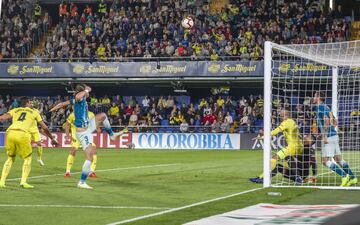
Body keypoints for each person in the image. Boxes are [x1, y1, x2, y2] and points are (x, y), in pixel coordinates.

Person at [50, 84, 127, 189]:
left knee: (103, 116)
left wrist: (53, 108)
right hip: (82, 133)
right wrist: (85, 90)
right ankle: (82, 182)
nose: (88, 95)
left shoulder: (80, 99)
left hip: (88, 126)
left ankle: (112, 135)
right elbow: (77, 96)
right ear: (82, 93)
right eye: (86, 93)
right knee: (89, 157)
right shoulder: (78, 99)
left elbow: (63, 103)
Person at [0, 97, 58, 188]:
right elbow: (44, 127)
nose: (31, 104)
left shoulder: (15, 110)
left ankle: (2, 182)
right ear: (27, 103)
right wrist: (52, 138)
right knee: (28, 158)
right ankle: (23, 182)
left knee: (10, 158)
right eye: (30, 102)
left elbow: (2, 118)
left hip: (10, 133)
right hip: (23, 134)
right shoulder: (35, 112)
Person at [313, 91, 357, 186]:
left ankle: (344, 176)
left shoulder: (319, 107)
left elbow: (327, 121)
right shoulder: (327, 107)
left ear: (318, 98)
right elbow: (335, 122)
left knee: (325, 161)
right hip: (334, 135)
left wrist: (324, 135)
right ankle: (353, 178)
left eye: (314, 96)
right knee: (338, 159)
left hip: (328, 137)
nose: (313, 98)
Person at [250, 110, 304, 184]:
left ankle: (263, 178)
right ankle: (297, 178)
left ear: (285, 115)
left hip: (292, 146)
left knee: (274, 158)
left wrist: (263, 137)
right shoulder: (292, 121)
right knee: (286, 165)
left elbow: (276, 131)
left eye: (281, 114)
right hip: (299, 146)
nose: (279, 115)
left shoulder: (286, 122)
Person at [64, 110, 98, 178]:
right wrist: (67, 135)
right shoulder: (73, 114)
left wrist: (97, 128)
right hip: (76, 137)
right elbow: (67, 125)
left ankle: (91, 172)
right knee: (73, 151)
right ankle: (67, 171)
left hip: (86, 137)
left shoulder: (91, 114)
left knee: (94, 151)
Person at [29, 100, 45, 166]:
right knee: (27, 145)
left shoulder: (36, 111)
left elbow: (40, 111)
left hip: (35, 130)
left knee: (39, 144)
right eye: (30, 103)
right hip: (27, 130)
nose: (31, 104)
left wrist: (41, 105)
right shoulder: (26, 110)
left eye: (32, 104)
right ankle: (27, 158)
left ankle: (39, 158)